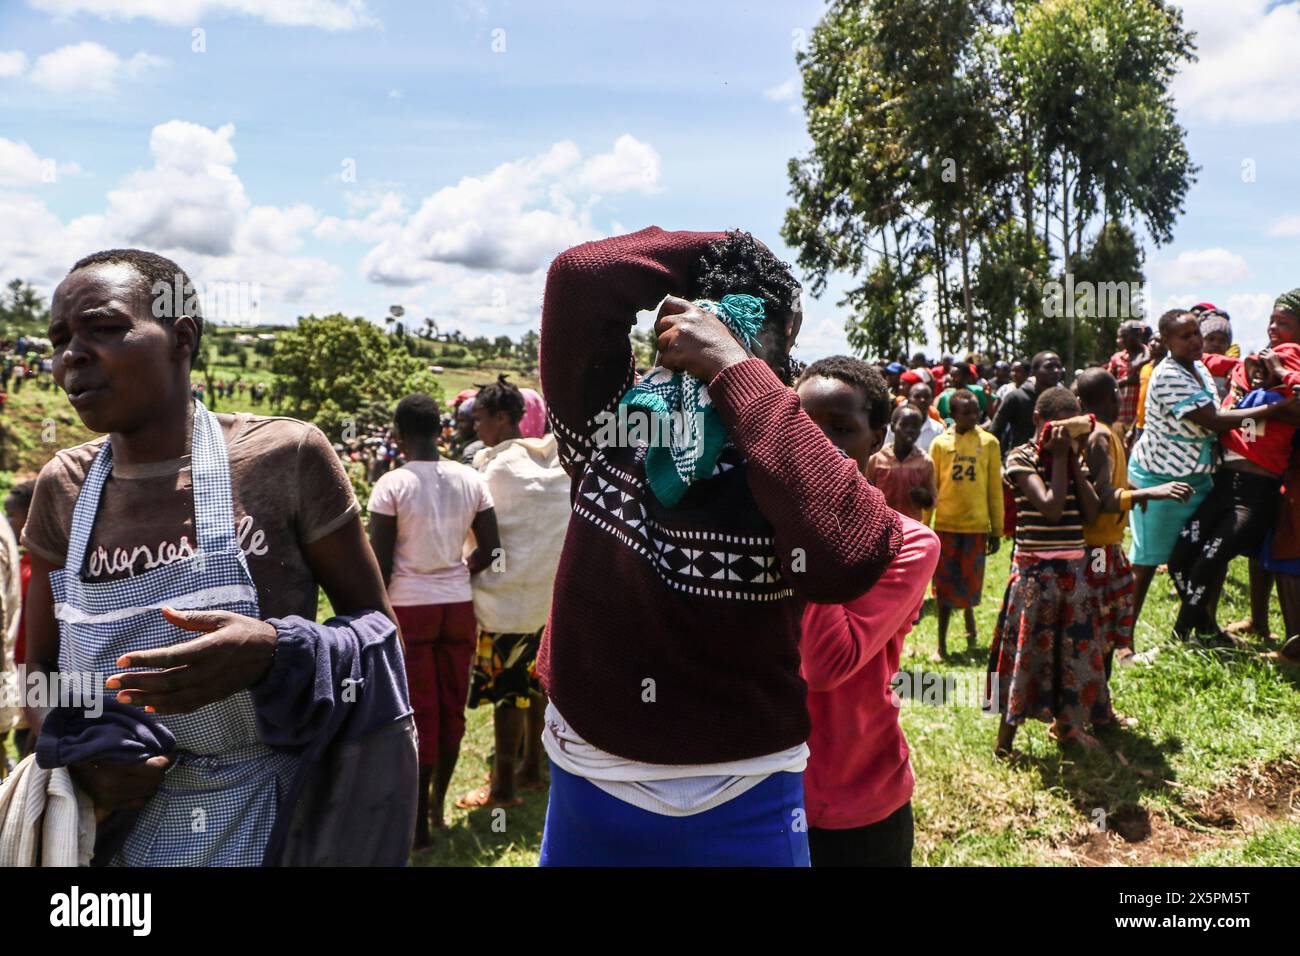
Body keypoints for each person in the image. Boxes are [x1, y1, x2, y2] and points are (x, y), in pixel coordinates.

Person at [23, 248, 415, 866]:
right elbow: (41, 668)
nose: (72, 354)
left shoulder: (284, 456)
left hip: (272, 825)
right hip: (111, 831)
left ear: (182, 336)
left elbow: (380, 635)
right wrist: (80, 750)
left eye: (102, 328)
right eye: (60, 337)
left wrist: (275, 651)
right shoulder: (63, 486)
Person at [535, 227, 902, 866]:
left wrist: (733, 366)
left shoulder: (789, 449)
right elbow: (578, 275)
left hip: (748, 788)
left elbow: (850, 554)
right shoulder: (619, 419)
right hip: (594, 776)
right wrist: (732, 251)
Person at [795, 356, 939, 867]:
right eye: (804, 427)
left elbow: (824, 662)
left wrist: (804, 524)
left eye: (841, 429)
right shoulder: (756, 522)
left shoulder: (909, 544)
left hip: (858, 802)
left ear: (876, 438)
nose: (819, 445)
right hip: (760, 794)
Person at [367, 392, 501, 848]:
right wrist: (461, 571)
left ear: (399, 435)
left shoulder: (392, 485)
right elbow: (491, 548)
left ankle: (418, 826)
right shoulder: (470, 478)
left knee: (420, 713)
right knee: (451, 710)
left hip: (409, 609)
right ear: (440, 430)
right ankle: (438, 810)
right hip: (457, 606)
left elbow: (379, 566)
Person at [1129, 309, 1291, 633]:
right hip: (1162, 477)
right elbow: (1214, 420)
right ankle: (1122, 640)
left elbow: (1223, 412)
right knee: (1148, 560)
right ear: (1167, 341)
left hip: (1199, 479)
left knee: (1200, 557)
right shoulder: (1170, 375)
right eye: (1184, 336)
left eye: (1195, 334)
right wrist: (1273, 411)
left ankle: (1204, 628)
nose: (1194, 341)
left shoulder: (1200, 367)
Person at [456, 375, 569, 810]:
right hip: (545, 602)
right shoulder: (553, 463)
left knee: (506, 693)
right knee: (536, 685)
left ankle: (502, 789)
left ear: (502, 418)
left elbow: (475, 532)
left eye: (481, 419)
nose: (476, 428)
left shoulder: (493, 466)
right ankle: (532, 771)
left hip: (505, 605)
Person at [1166, 297, 1300, 642]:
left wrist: (1279, 384)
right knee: (1180, 556)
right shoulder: (1252, 361)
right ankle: (1209, 628)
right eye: (1271, 321)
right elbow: (1214, 361)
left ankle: (1181, 635)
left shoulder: (1294, 365)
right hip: (1223, 482)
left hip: (1258, 490)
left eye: (1282, 323)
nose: (1273, 328)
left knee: (1209, 559)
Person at [989, 387, 1106, 756]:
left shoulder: (1073, 460)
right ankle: (1004, 743)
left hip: (1073, 574)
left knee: (1071, 655)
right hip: (1036, 578)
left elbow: (1091, 513)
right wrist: (1058, 458)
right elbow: (1051, 508)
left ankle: (1068, 727)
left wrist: (1070, 460)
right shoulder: (1020, 458)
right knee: (1026, 657)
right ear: (1038, 422)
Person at [1074, 370, 1190, 677]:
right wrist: (1152, 492)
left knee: (1109, 617)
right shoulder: (1099, 434)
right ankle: (1093, 696)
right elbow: (1101, 501)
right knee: (1098, 618)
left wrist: (1134, 489)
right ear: (1113, 396)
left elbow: (1112, 484)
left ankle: (1102, 696)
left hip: (1109, 546)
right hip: (1096, 550)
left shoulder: (1109, 432)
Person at [927, 390, 1002, 658]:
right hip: (946, 525)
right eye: (966, 412)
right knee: (944, 586)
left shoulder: (990, 443)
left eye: (975, 411)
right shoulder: (940, 444)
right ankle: (942, 644)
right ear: (954, 414)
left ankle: (972, 638)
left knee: (970, 585)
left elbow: (995, 489)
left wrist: (997, 529)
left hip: (976, 526)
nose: (972, 416)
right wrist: (926, 525)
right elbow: (932, 487)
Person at [866, 404, 936, 523]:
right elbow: (866, 493)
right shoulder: (877, 459)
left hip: (911, 527)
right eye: (904, 425)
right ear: (893, 427)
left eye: (915, 426)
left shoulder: (925, 462)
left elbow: (932, 501)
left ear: (920, 431)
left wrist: (924, 497)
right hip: (880, 524)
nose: (909, 430)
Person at [990, 351, 1064, 456]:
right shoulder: (1015, 397)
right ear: (1034, 372)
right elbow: (995, 431)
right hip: (1020, 462)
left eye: (1058, 367)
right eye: (1049, 367)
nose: (1056, 371)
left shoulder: (1063, 399)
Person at [1105, 320, 1150, 443]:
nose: (1119, 340)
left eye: (1124, 336)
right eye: (1119, 337)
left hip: (1144, 422)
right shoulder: (1116, 358)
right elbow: (1107, 384)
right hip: (1119, 419)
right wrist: (1127, 381)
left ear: (1137, 335)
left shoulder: (1151, 356)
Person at [886, 381, 945, 454]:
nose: (922, 400)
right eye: (917, 396)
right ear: (909, 399)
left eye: (926, 397)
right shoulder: (897, 426)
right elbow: (886, 451)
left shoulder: (938, 429)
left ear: (931, 400)